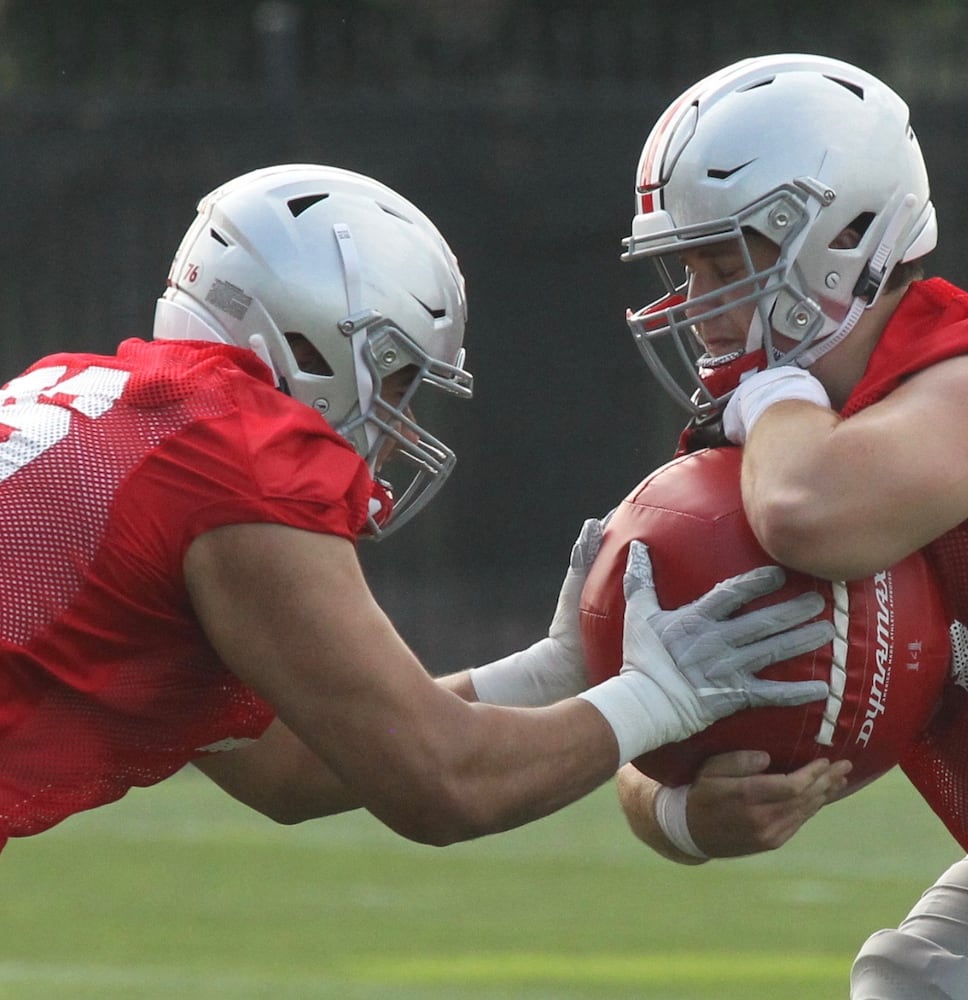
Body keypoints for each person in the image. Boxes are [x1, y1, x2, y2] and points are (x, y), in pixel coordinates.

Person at [0, 162, 841, 854]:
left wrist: (553, 675)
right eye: (395, 382)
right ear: (303, 341)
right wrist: (657, 696)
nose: (397, 428)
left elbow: (289, 768)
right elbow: (444, 783)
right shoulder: (235, 454)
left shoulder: (95, 396)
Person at [613, 54, 968, 997]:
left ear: (842, 237)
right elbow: (622, 703)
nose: (697, 303)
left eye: (724, 262)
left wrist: (773, 393)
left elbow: (814, 518)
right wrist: (685, 810)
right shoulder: (789, 436)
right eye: (686, 266)